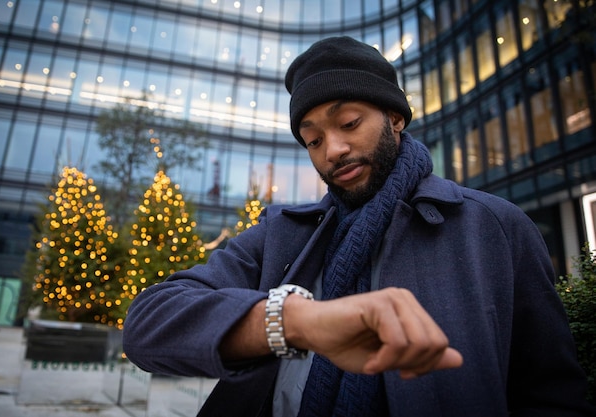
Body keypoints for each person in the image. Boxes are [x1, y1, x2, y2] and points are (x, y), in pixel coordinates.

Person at [122, 36, 594, 416]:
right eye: (312, 139)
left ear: (394, 117)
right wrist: (294, 321)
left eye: (348, 122)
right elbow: (147, 325)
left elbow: (552, 394)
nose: (332, 150)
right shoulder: (282, 232)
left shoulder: (494, 227)